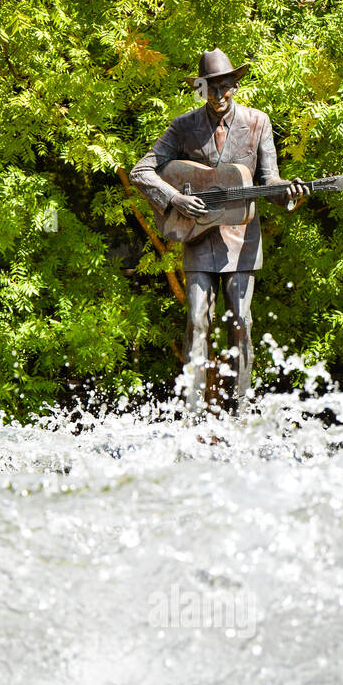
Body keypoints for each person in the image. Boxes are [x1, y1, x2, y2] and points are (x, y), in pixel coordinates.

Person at [129, 48, 310, 417]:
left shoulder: (258, 122)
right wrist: (175, 197)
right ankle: (191, 413)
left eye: (225, 87)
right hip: (198, 235)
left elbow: (269, 180)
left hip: (242, 240)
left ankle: (240, 409)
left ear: (235, 85)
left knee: (241, 322)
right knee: (197, 319)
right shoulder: (183, 126)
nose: (218, 96)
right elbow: (140, 172)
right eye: (210, 89)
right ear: (201, 89)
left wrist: (287, 192)